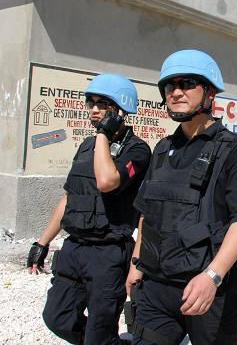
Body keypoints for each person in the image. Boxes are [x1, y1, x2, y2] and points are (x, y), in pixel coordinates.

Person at [126, 49, 237, 345]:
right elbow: (147, 214)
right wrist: (136, 264)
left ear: (209, 93)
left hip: (209, 289)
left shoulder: (235, 150)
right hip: (157, 288)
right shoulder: (162, 149)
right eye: (169, 86)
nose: (176, 92)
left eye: (187, 83)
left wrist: (212, 277)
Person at [26, 74, 151, 344]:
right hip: (74, 249)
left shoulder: (138, 150)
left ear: (121, 109)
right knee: (57, 317)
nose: (94, 109)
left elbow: (107, 182)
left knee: (99, 331)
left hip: (108, 254)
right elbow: (70, 197)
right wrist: (42, 242)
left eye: (104, 104)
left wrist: (104, 135)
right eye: (91, 102)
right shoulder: (87, 146)